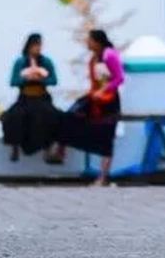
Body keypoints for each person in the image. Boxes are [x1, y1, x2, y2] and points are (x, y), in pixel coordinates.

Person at [49, 29, 124, 185]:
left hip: (109, 101)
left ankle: (103, 176)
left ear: (97, 42)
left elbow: (119, 78)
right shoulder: (93, 59)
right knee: (71, 116)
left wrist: (103, 91)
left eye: (89, 40)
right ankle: (61, 147)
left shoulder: (109, 55)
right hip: (95, 98)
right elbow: (94, 82)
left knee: (106, 135)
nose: (87, 43)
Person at [1, 33, 61, 161]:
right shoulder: (20, 62)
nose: (38, 48)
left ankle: (48, 148)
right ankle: (15, 147)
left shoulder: (46, 62)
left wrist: (41, 79)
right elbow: (13, 81)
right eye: (35, 45)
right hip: (25, 98)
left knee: (52, 117)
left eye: (39, 45)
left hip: (42, 97)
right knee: (12, 117)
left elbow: (54, 80)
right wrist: (26, 79)